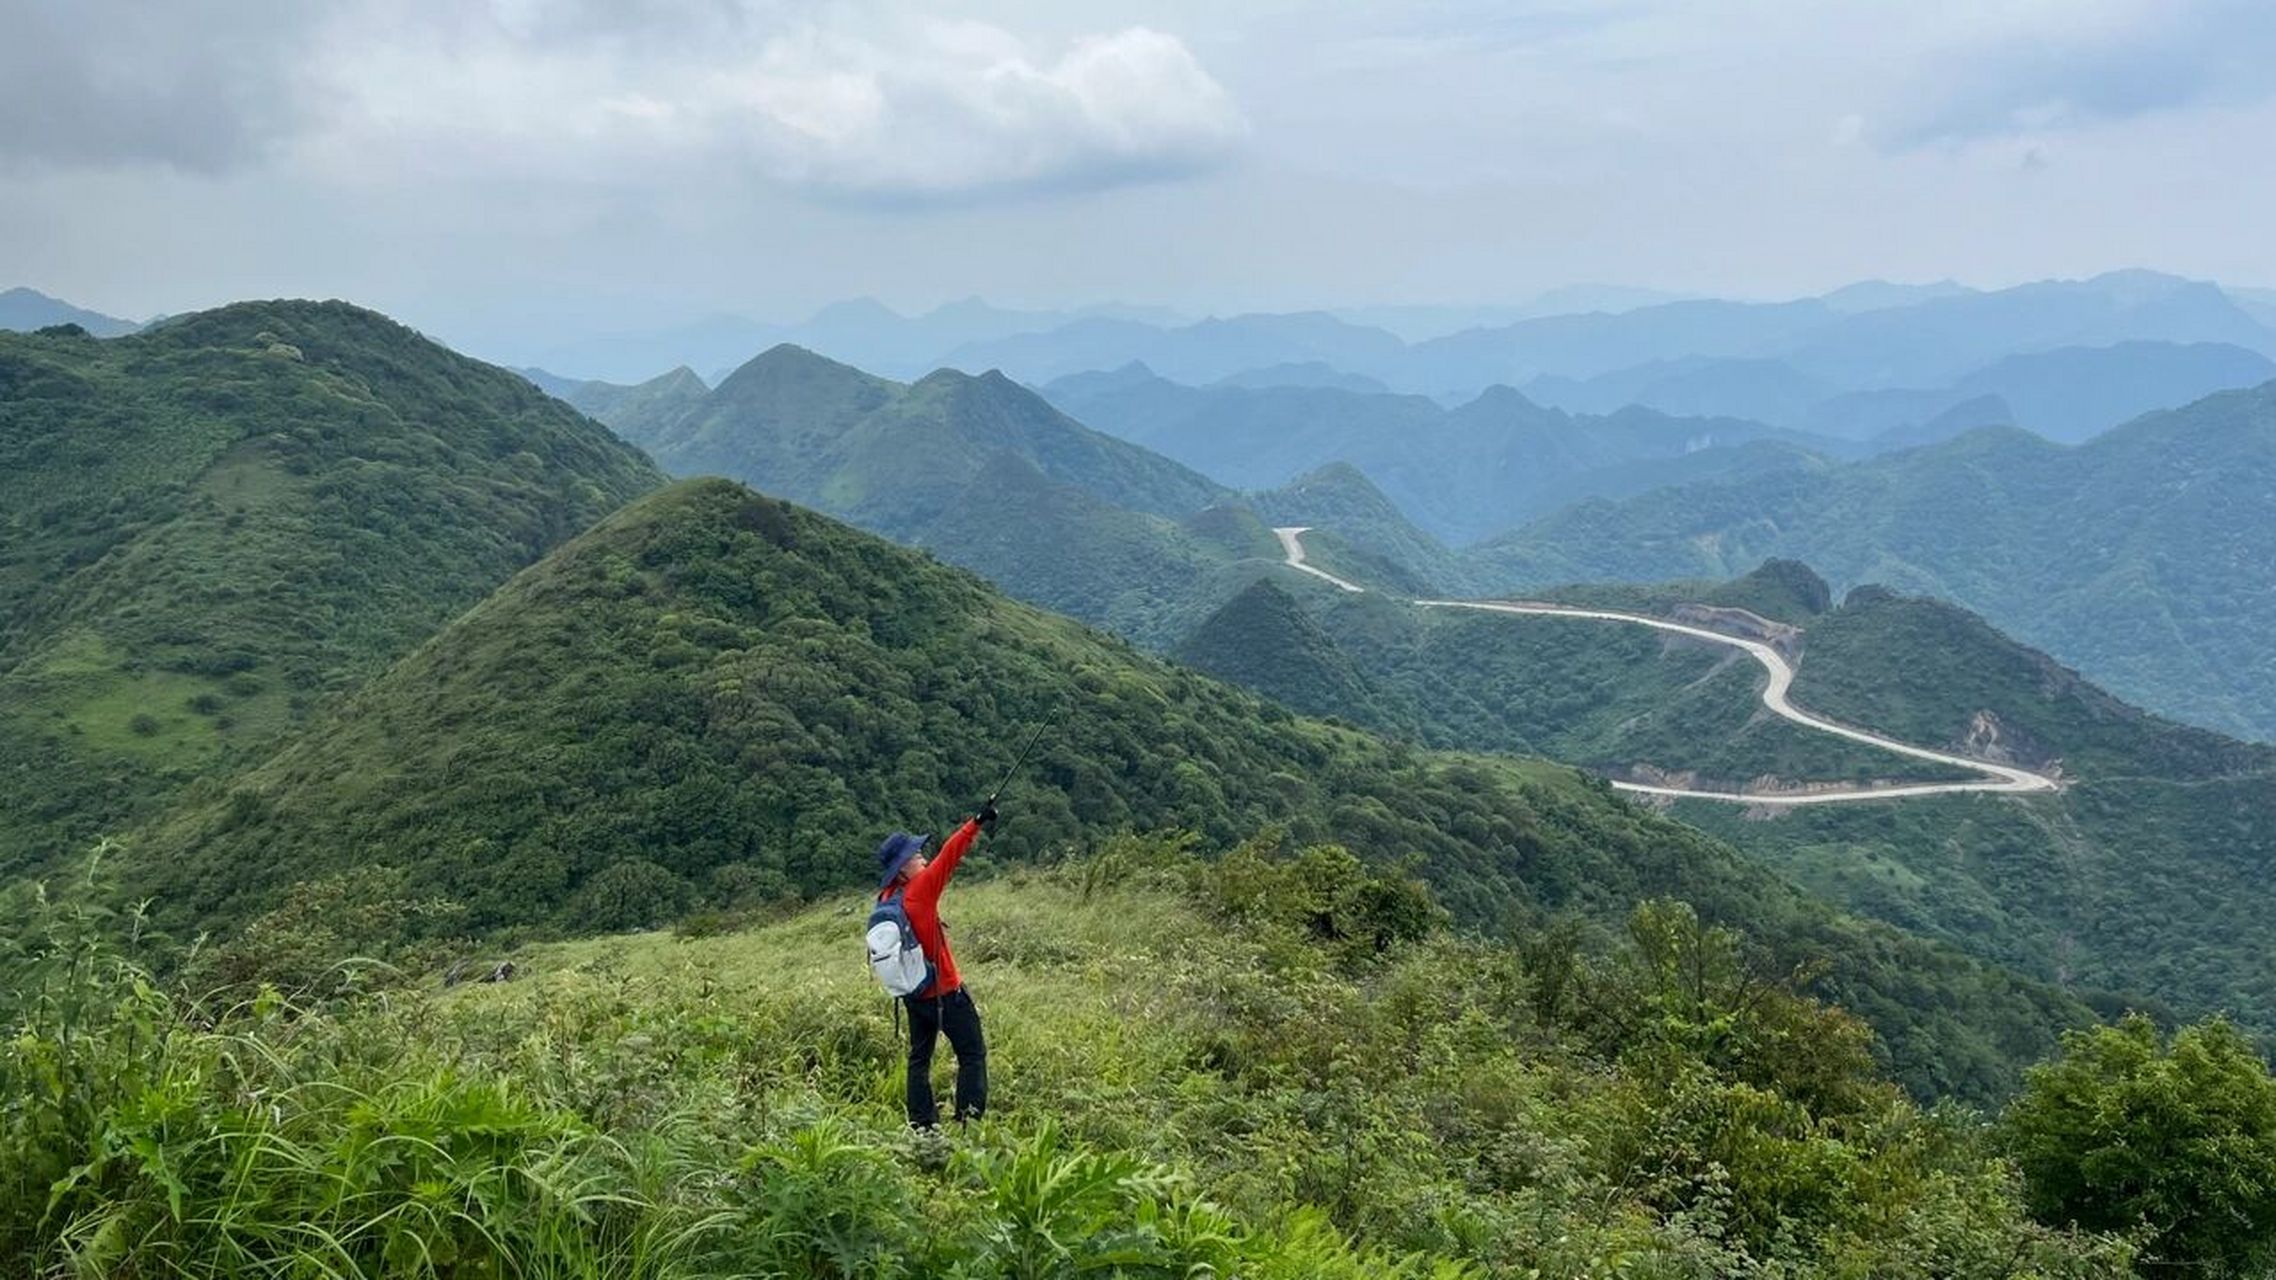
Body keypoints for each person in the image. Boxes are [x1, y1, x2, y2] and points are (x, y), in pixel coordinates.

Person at [875, 799, 996, 1128]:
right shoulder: (921, 890)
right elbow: (949, 855)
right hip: (945, 993)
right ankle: (968, 1124)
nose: (922, 857)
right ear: (903, 868)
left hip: (914, 995)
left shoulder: (887, 897)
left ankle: (922, 1125)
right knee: (972, 1055)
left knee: (919, 1060)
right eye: (915, 856)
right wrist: (976, 823)